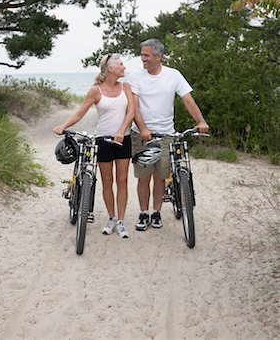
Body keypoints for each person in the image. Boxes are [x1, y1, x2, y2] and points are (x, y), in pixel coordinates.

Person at [127, 39, 209, 231]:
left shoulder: (174, 75)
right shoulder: (135, 76)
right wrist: (143, 128)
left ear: (158, 56)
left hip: (166, 135)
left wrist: (201, 121)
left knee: (161, 176)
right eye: (142, 54)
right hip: (141, 135)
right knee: (143, 177)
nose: (142, 59)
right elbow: (134, 106)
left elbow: (188, 100)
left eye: (146, 55)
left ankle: (156, 212)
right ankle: (143, 213)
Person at [53, 54, 134, 239]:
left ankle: (121, 221)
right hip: (102, 140)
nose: (124, 67)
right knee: (107, 182)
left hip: (124, 139)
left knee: (122, 181)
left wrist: (121, 131)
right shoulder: (95, 90)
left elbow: (131, 111)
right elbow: (80, 113)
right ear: (110, 68)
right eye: (121, 64)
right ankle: (112, 218)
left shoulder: (126, 87)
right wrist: (63, 126)